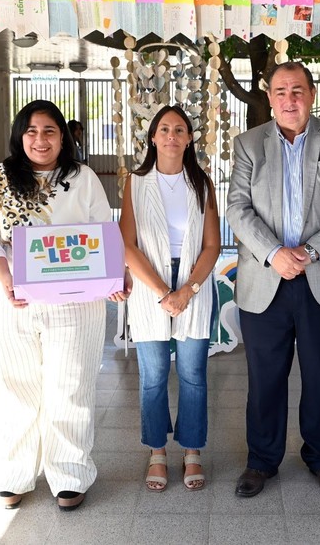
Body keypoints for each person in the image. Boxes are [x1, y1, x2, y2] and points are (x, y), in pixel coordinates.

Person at [0, 99, 130, 512]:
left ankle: (70, 474)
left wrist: (117, 274)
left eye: (49, 131)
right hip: (12, 300)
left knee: (71, 385)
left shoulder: (83, 178)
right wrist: (6, 276)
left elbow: (102, 232)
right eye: (31, 131)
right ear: (19, 135)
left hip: (74, 303)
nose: (40, 140)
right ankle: (17, 473)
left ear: (64, 136)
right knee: (16, 385)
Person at [226, 61, 320, 499]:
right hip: (266, 279)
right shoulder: (249, 144)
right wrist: (274, 253)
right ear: (270, 98)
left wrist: (308, 251)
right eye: (281, 91)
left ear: (311, 94)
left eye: (298, 90)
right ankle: (262, 460)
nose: (290, 99)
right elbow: (236, 207)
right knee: (264, 378)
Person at [119, 105, 220, 493]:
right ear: (153, 137)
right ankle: (157, 451)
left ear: (190, 138)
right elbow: (127, 245)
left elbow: (212, 245)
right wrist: (164, 292)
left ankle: (192, 450)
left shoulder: (202, 184)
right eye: (164, 129)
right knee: (154, 376)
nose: (172, 135)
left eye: (180, 129)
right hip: (150, 283)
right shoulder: (136, 182)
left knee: (194, 375)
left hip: (194, 281)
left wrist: (189, 288)